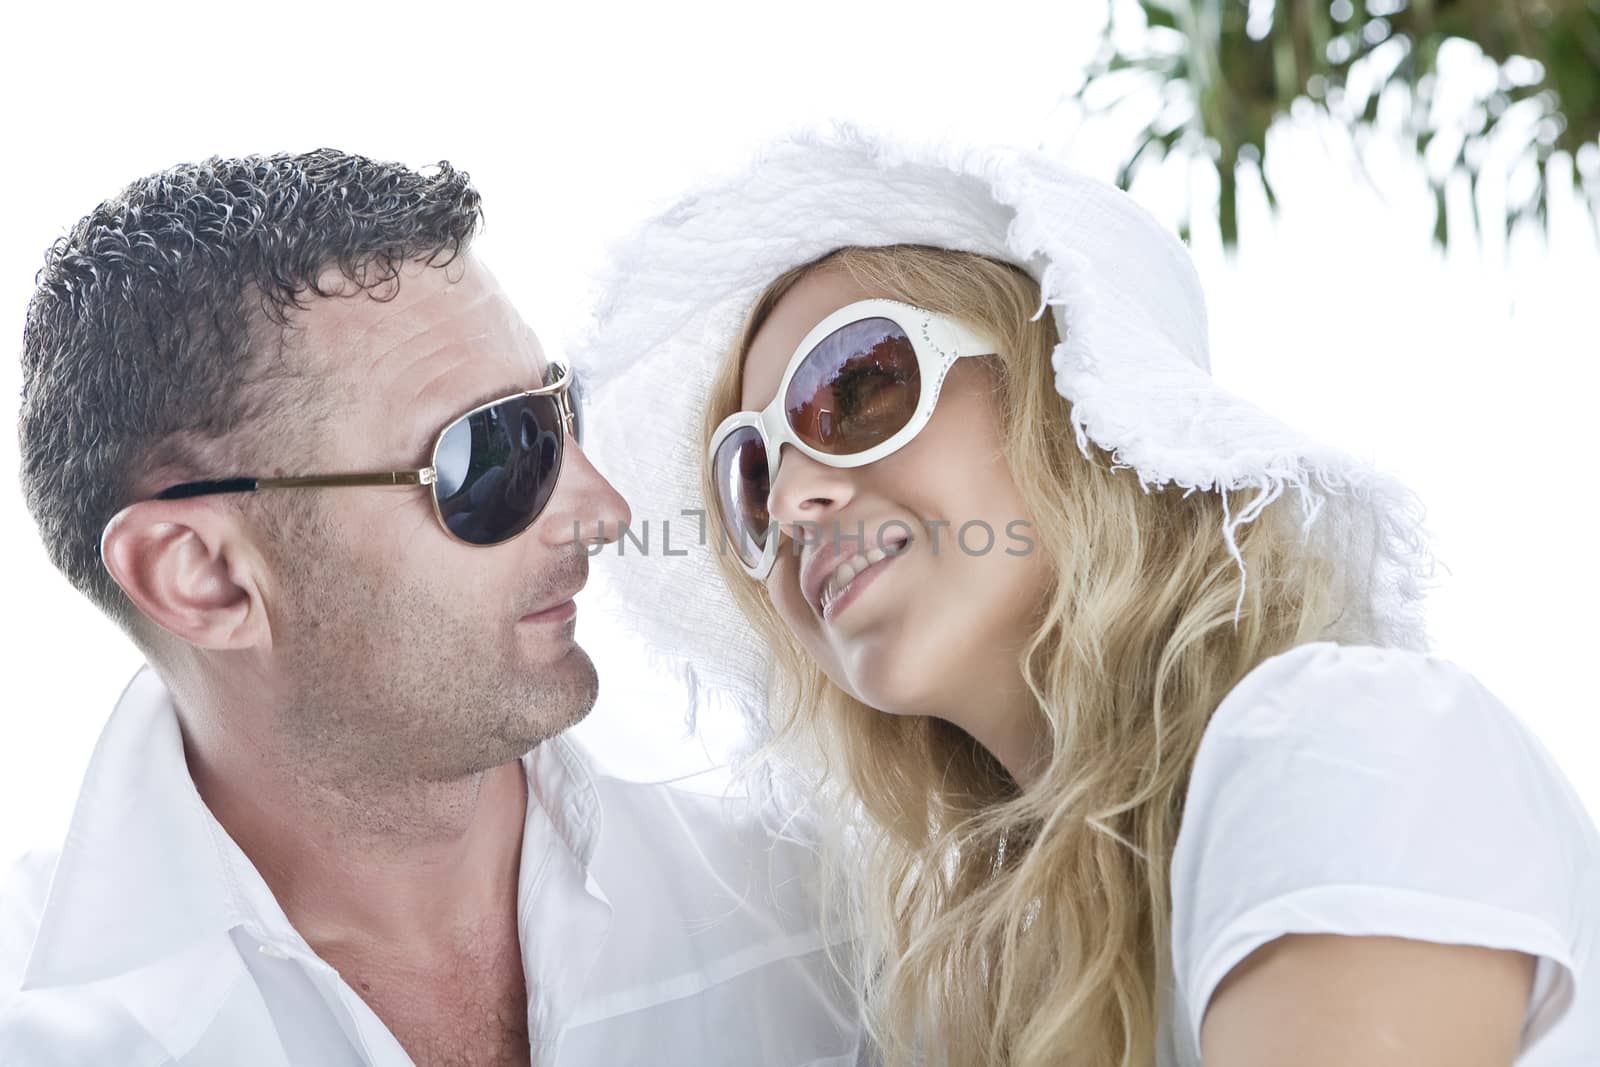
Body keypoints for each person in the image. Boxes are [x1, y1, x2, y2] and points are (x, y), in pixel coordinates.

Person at [574, 128, 1600, 1066]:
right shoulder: (968, 987)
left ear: (1072, 387)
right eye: (748, 477)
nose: (794, 500)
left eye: (853, 386)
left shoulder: (1338, 738)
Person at [0, 150, 862, 1066]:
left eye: (562, 414)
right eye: (494, 452)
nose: (605, 511)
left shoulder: (822, 927)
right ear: (203, 576)